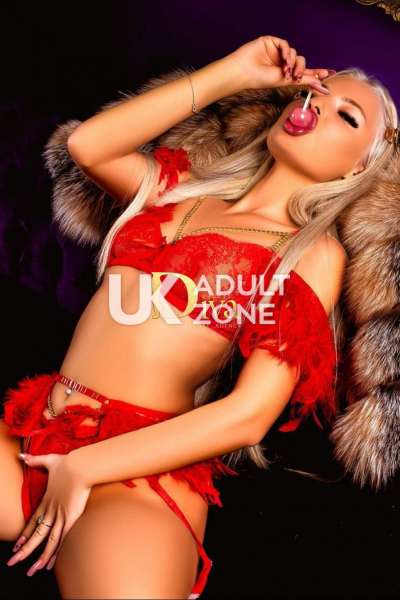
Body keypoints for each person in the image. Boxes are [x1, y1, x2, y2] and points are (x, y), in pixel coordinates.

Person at [0, 34, 399, 599]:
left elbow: (248, 417)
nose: (316, 108)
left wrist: (85, 467)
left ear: (360, 165)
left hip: (136, 475)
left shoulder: (311, 253)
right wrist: (234, 72)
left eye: (347, 115)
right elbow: (88, 146)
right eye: (315, 94)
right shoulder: (180, 188)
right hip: (41, 425)